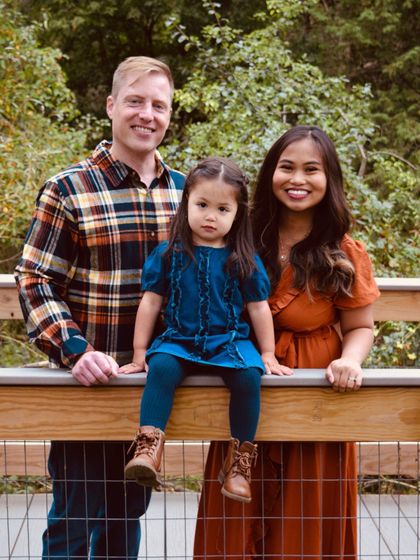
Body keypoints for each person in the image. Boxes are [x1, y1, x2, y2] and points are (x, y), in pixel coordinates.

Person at [15, 56, 185, 559]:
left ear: (169, 115)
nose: (146, 114)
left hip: (151, 392)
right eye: (135, 101)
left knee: (125, 517)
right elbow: (36, 279)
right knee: (75, 519)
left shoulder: (186, 193)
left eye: (159, 105)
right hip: (89, 389)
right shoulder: (69, 188)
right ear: (111, 106)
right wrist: (75, 350)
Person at [193, 126, 380, 559]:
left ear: (329, 178)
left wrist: (350, 361)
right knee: (234, 517)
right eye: (286, 167)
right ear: (270, 174)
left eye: (311, 169)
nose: (298, 179)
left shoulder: (344, 252)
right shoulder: (237, 237)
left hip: (316, 403)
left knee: (307, 520)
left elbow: (360, 327)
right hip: (244, 395)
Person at [119, 156, 286, 503]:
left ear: (238, 214)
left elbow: (258, 308)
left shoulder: (243, 257)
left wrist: (268, 353)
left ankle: (239, 465)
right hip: (179, 340)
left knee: (248, 378)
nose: (211, 215)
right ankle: (148, 448)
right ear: (187, 204)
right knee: (161, 368)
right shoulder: (169, 253)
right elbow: (150, 303)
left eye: (223, 209)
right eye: (202, 205)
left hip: (228, 342)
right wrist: (139, 353)